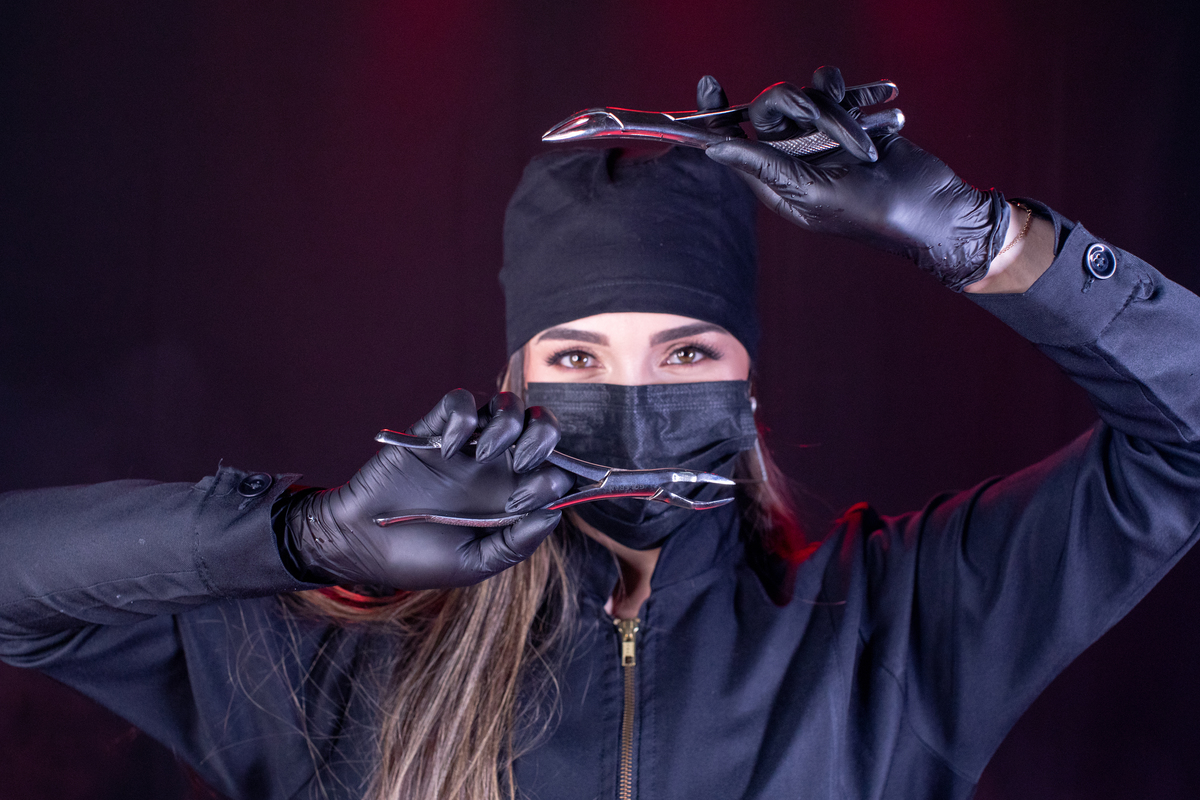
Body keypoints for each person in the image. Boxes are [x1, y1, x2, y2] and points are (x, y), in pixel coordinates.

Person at [1, 67, 1198, 800]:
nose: (633, 393)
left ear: (747, 378)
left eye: (685, 353)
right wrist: (305, 539)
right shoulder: (343, 661)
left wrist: (980, 236)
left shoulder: (896, 626)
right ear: (516, 379)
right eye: (578, 357)